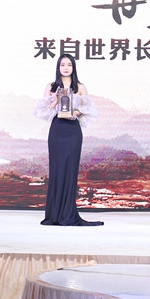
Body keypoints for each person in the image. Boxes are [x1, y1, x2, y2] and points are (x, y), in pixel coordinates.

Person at [34, 54, 102, 226]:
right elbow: (42, 112)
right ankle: (55, 215)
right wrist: (55, 100)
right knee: (56, 170)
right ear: (58, 67)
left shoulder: (80, 87)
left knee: (70, 171)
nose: (66, 68)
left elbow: (88, 110)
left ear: (73, 67)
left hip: (73, 131)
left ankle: (67, 214)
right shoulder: (51, 87)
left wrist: (75, 113)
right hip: (57, 130)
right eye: (62, 64)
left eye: (69, 65)